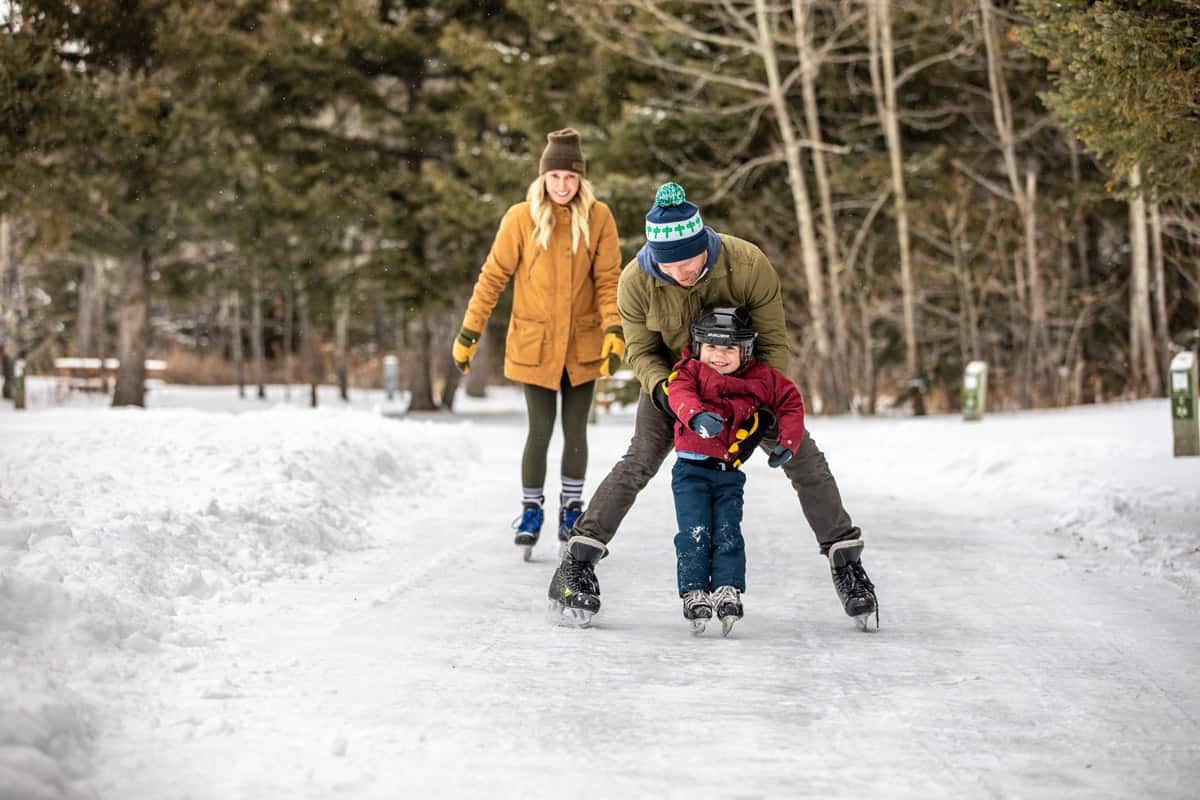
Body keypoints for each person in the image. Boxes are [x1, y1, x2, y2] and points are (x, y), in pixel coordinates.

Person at [548, 181, 878, 629]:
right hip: (676, 385)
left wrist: (764, 406)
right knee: (640, 459)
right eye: (670, 264)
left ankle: (846, 561)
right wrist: (666, 394)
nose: (681, 271)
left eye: (690, 261)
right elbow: (641, 351)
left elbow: (775, 341)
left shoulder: (747, 264)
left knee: (803, 457)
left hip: (747, 385)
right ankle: (578, 559)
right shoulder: (636, 282)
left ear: (705, 244)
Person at [452, 128, 624, 560]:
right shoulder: (520, 218)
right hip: (536, 344)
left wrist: (615, 330)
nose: (562, 186)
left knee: (576, 430)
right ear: (542, 177)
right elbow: (493, 277)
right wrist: (469, 332)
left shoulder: (599, 217)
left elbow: (608, 281)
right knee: (540, 430)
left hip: (582, 345)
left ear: (580, 179)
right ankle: (532, 510)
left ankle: (571, 510)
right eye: (555, 177)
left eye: (570, 177)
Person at [667, 305, 807, 636]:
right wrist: (696, 415)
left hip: (729, 473)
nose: (719, 356)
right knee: (695, 533)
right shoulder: (690, 371)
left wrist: (787, 441)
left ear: (745, 349)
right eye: (712, 347)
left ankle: (728, 589)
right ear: (699, 346)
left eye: (729, 348)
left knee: (728, 533)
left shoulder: (761, 378)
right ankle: (694, 592)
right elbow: (678, 393)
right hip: (691, 471)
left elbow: (790, 401)